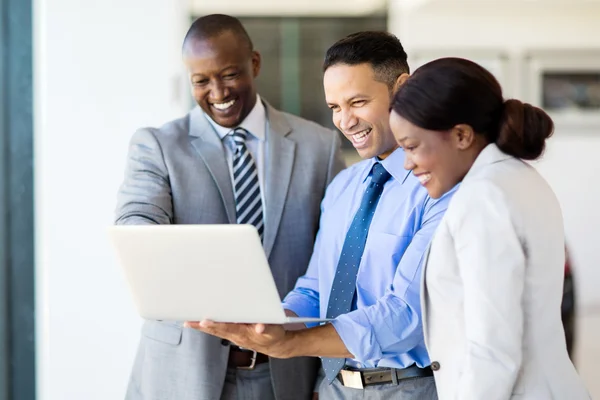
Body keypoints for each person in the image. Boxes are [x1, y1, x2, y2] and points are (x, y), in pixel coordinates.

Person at [187, 31, 455, 400]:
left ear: (402, 89)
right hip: (332, 387)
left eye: (357, 102)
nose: (345, 121)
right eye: (334, 107)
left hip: (406, 388)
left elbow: (407, 316)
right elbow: (317, 288)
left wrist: (293, 345)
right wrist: (271, 321)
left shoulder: (439, 187)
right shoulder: (343, 187)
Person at [115, 14, 345, 400]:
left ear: (254, 64)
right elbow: (137, 219)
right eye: (201, 81)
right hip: (182, 375)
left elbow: (336, 263)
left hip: (285, 375)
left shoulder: (318, 146)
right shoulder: (157, 146)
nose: (218, 92)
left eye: (229, 74)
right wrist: (144, 241)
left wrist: (328, 378)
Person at [389, 57, 591, 400]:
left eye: (411, 147)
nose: (407, 164)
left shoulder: (482, 198)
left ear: (461, 135)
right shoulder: (517, 178)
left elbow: (493, 351)